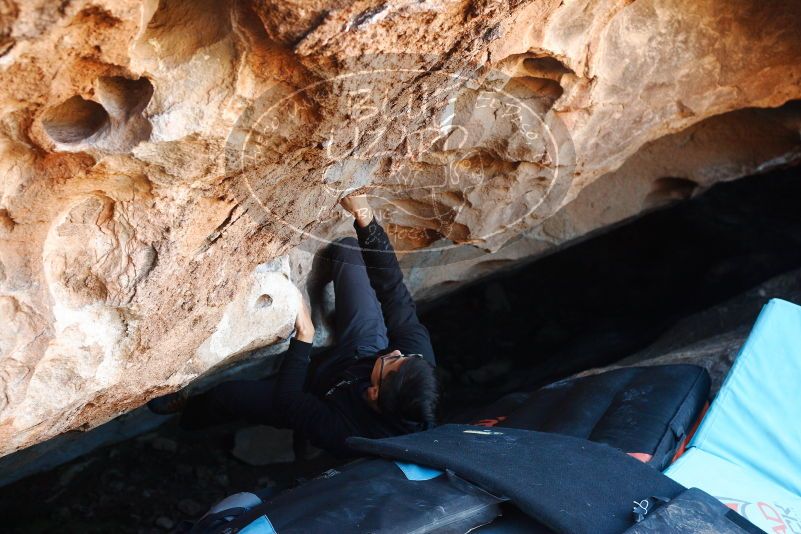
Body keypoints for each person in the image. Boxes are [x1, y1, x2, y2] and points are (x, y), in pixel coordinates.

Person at [148, 195, 439, 456]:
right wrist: (367, 221)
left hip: (315, 398)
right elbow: (393, 292)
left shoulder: (348, 433)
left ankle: (188, 416)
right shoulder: (414, 360)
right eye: (406, 356)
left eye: (393, 362)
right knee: (350, 253)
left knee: (228, 396)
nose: (398, 350)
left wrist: (305, 334)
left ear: (375, 393)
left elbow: (289, 399)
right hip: (359, 354)